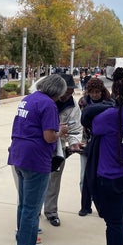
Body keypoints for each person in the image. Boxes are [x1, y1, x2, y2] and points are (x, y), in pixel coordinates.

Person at [81, 68, 123, 245]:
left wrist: (110, 106)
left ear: (116, 94)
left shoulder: (111, 115)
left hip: (112, 176)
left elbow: (88, 119)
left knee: (114, 223)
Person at [8, 74, 68, 245]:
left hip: (19, 154)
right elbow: (49, 137)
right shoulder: (48, 104)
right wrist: (61, 132)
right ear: (58, 92)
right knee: (32, 209)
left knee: (24, 204)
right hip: (36, 159)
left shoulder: (28, 99)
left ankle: (26, 240)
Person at [43, 74, 83, 227]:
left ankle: (51, 212)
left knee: (54, 180)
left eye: (71, 91)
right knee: (35, 180)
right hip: (39, 147)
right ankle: (33, 211)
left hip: (58, 148)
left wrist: (74, 144)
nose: (67, 95)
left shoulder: (73, 106)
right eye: (65, 91)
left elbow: (76, 129)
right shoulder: (44, 102)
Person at [77, 77, 112, 216]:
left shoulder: (110, 103)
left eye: (97, 92)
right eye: (92, 92)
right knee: (84, 177)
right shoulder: (83, 103)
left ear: (102, 91)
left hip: (102, 144)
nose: (95, 95)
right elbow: (79, 123)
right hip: (86, 142)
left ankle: (101, 206)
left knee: (100, 177)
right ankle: (85, 205)